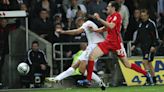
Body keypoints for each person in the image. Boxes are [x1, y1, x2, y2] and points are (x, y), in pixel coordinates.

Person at [82, 1, 154, 85]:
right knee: (92, 56)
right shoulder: (109, 17)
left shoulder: (117, 16)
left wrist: (99, 19)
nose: (107, 8)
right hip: (108, 42)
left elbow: (111, 26)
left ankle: (146, 74)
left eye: (108, 6)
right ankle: (88, 80)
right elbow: (105, 28)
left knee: (127, 64)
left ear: (113, 8)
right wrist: (95, 30)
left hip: (116, 44)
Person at [46, 17, 106, 90]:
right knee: (77, 67)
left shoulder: (88, 23)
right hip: (92, 46)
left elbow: (76, 32)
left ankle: (97, 81)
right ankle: (57, 79)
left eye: (78, 24)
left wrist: (63, 32)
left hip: (96, 46)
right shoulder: (88, 25)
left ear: (81, 21)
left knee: (81, 69)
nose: (78, 26)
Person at [131, 9, 160, 85]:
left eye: (144, 15)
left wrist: (154, 45)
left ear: (147, 15)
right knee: (149, 63)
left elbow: (155, 36)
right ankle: (153, 80)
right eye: (142, 16)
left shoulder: (151, 24)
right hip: (143, 47)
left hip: (150, 47)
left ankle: (149, 79)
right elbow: (138, 37)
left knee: (145, 62)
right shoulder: (140, 24)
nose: (143, 17)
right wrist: (134, 44)